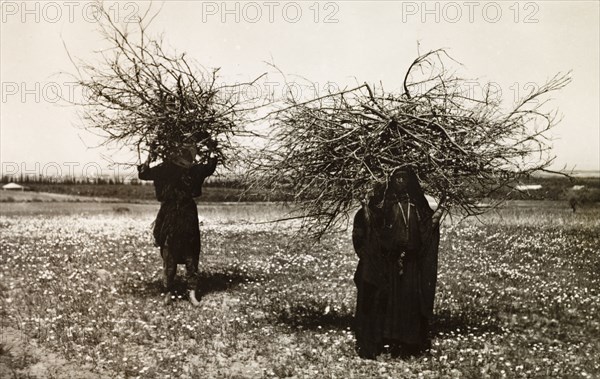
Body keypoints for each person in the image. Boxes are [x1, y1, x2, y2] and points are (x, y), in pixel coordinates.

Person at [352, 170, 443, 359]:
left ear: (410, 181)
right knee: (389, 303)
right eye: (397, 178)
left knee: (409, 303)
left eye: (404, 178)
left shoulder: (417, 205)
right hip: (390, 263)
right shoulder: (384, 205)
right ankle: (387, 342)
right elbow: (372, 229)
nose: (401, 181)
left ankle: (409, 344)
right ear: (391, 181)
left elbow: (427, 227)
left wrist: (441, 209)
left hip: (412, 263)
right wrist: (364, 206)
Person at [138, 141, 217, 305]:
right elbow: (144, 174)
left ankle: (192, 292)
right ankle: (168, 291)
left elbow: (209, 167)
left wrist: (211, 148)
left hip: (186, 214)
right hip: (169, 214)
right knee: (169, 254)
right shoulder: (165, 168)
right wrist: (150, 155)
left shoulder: (192, 170)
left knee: (191, 254)